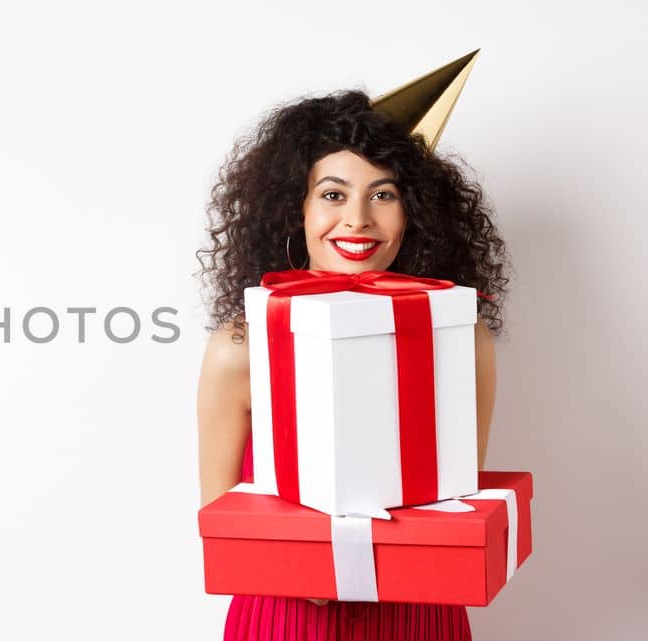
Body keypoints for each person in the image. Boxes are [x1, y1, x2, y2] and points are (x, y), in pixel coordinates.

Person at [194, 88, 511, 640]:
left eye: (383, 194)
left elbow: (456, 499)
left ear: (415, 210)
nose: (358, 220)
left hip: (417, 610)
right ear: (297, 208)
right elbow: (220, 518)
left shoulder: (463, 339)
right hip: (286, 615)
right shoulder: (241, 346)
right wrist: (299, 566)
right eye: (333, 194)